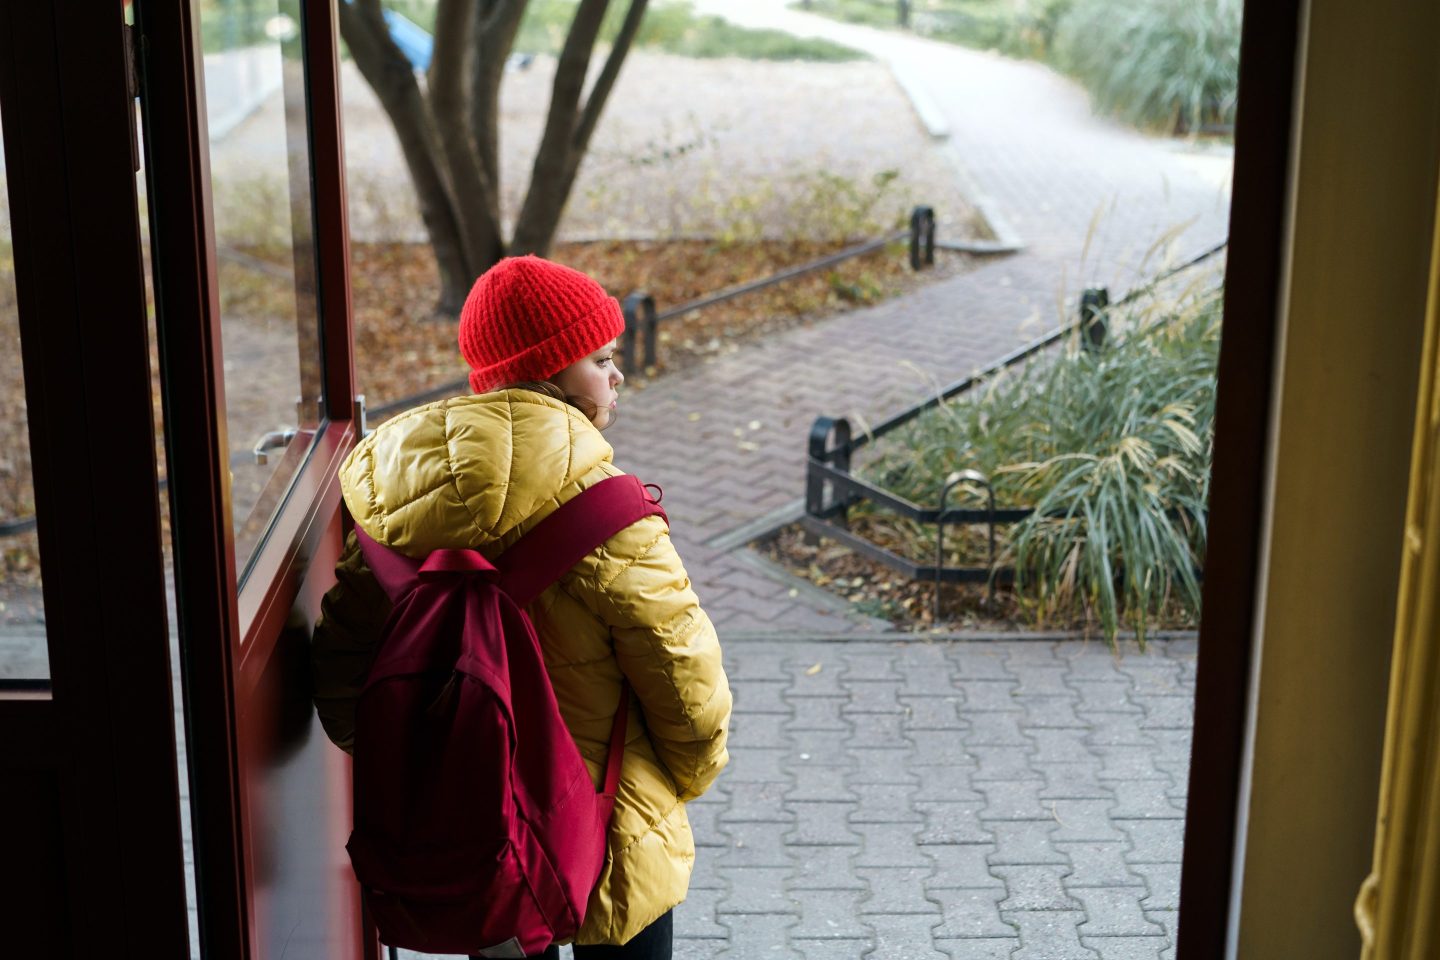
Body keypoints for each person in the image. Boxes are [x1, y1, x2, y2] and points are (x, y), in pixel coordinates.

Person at [311, 255, 732, 959]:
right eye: (601, 359)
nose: (617, 375)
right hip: (609, 819)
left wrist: (427, 759)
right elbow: (683, 675)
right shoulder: (608, 510)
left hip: (475, 823)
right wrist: (686, 776)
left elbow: (344, 671)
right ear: (549, 375)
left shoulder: (388, 504)